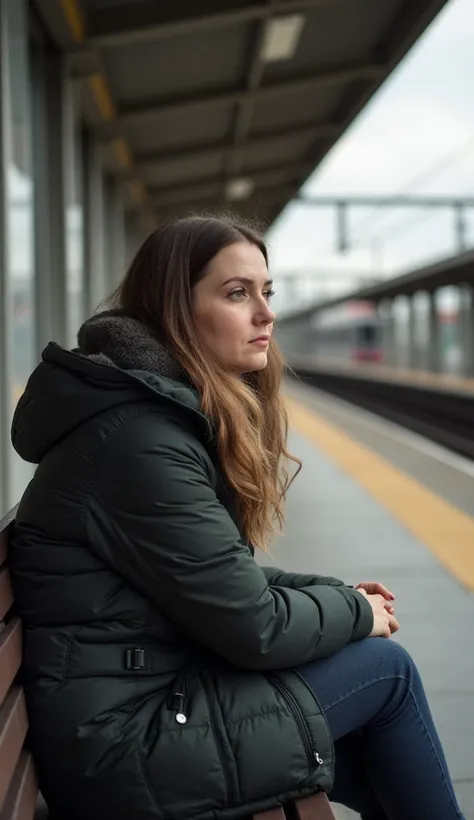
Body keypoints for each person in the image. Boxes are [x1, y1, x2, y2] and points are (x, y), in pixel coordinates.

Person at [10, 215, 464, 820]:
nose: (265, 314)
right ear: (176, 310)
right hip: (125, 749)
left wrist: (338, 596)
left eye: (267, 292)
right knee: (386, 671)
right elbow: (255, 627)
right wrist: (358, 614)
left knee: (370, 741)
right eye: (236, 294)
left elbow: (222, 579)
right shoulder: (139, 440)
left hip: (146, 707)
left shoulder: (142, 422)